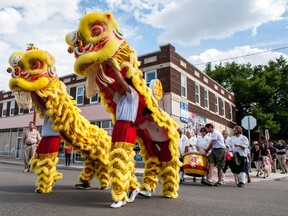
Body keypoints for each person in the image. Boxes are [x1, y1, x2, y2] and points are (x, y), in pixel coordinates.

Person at [106, 69, 140, 208]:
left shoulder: (133, 94)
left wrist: (111, 64)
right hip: (118, 128)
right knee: (118, 161)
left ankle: (120, 196)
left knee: (119, 162)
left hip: (127, 129)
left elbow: (121, 81)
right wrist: (98, 75)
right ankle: (133, 187)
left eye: (120, 86)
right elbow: (109, 88)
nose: (118, 88)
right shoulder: (120, 98)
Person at [137, 107, 176, 198]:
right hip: (154, 146)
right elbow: (136, 127)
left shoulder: (161, 120)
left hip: (166, 146)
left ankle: (169, 190)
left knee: (168, 168)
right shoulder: (145, 123)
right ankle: (148, 189)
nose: (148, 119)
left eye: (149, 117)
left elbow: (173, 128)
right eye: (146, 117)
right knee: (152, 166)